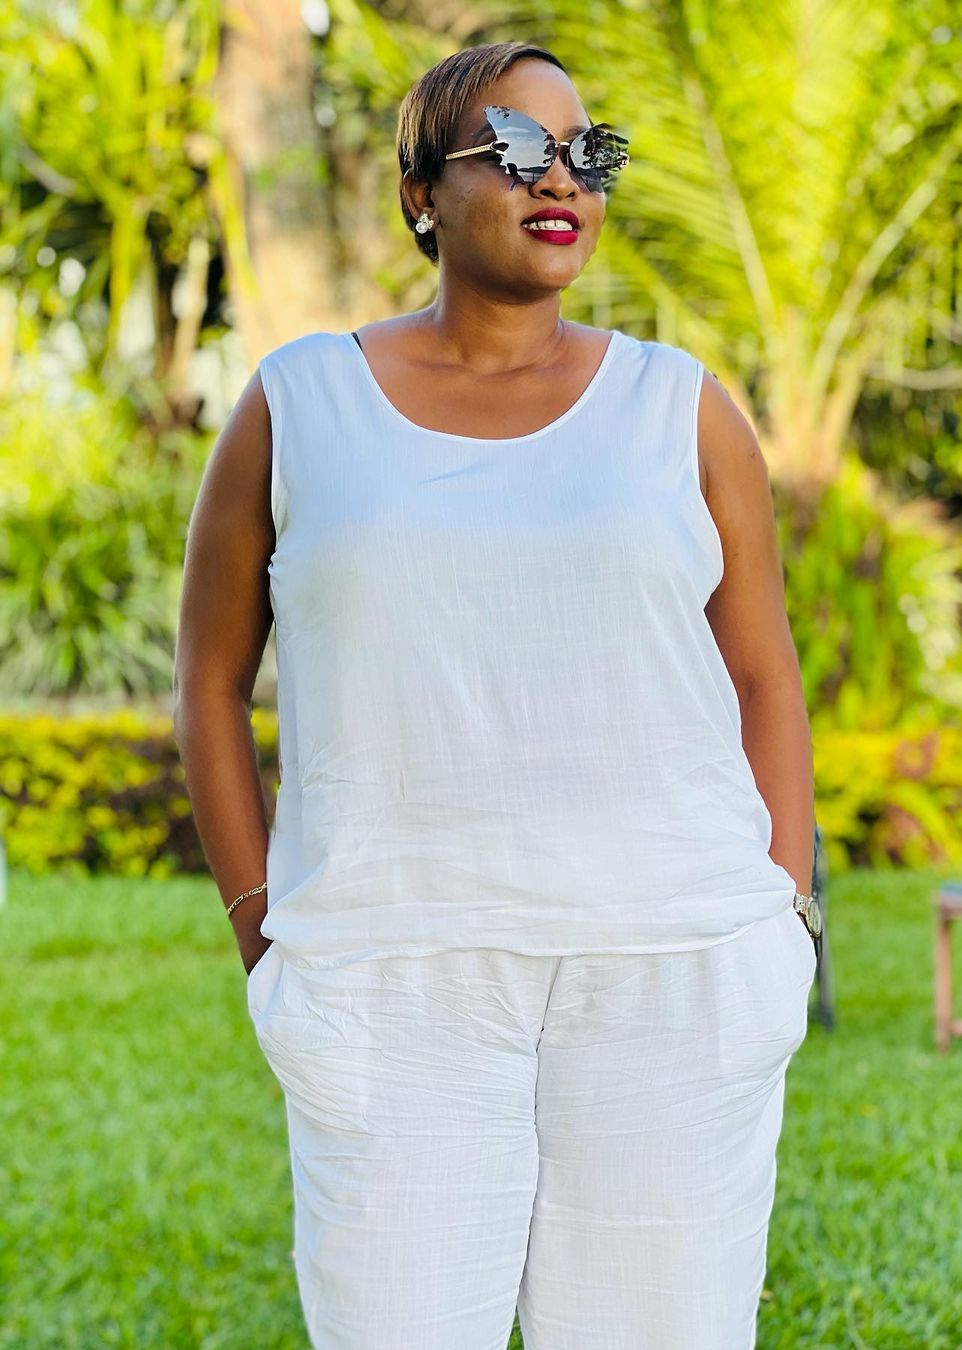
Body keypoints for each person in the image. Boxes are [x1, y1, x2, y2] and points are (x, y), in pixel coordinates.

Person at [173, 37, 821, 1350]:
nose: (560, 178)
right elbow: (209, 677)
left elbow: (763, 673)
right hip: (390, 977)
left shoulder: (681, 409)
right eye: (516, 148)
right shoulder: (298, 405)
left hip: (675, 968)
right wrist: (263, 927)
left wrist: (783, 916)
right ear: (423, 192)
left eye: (589, 151)